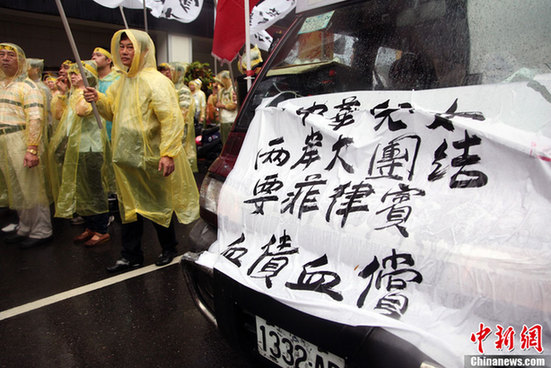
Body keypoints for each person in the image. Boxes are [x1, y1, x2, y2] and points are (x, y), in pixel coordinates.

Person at [83, 29, 199, 272]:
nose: (124, 52)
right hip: (125, 159)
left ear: (145, 51)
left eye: (130, 47)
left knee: (158, 206)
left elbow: (171, 119)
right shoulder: (120, 82)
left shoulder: (157, 82)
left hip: (151, 159)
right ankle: (130, 255)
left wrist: (167, 152)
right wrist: (98, 99)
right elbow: (112, 112)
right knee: (130, 210)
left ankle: (169, 248)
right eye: (122, 46)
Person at [48, 60, 112, 247]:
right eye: (72, 73)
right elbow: (59, 116)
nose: (72, 76)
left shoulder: (90, 95)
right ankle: (90, 226)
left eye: (77, 73)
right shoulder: (74, 94)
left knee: (95, 190)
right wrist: (61, 93)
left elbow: (82, 111)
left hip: (91, 149)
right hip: (76, 149)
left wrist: (81, 92)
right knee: (82, 191)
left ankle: (101, 229)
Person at [0, 43, 53, 248]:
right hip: (4, 140)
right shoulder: (3, 85)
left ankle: (42, 230)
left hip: (21, 139)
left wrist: (32, 148)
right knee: (16, 188)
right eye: (2, 55)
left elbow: (36, 118)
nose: (5, 58)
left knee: (31, 187)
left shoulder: (28, 87)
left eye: (10, 55)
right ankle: (24, 227)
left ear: (21, 61)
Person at [159, 62, 198, 173]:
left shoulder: (183, 90)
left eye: (170, 70)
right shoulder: (169, 87)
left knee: (179, 153)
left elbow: (183, 112)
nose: (168, 73)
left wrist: (173, 123)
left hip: (179, 129)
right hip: (169, 128)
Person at [91, 47, 119, 141]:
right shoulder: (91, 81)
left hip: (113, 132)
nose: (94, 58)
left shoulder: (118, 80)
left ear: (108, 60)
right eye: (93, 56)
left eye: (98, 55)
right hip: (95, 136)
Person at [215, 70, 238, 145]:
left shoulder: (233, 90)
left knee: (230, 143)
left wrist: (223, 106)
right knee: (224, 142)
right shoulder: (221, 91)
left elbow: (234, 105)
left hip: (231, 120)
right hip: (223, 120)